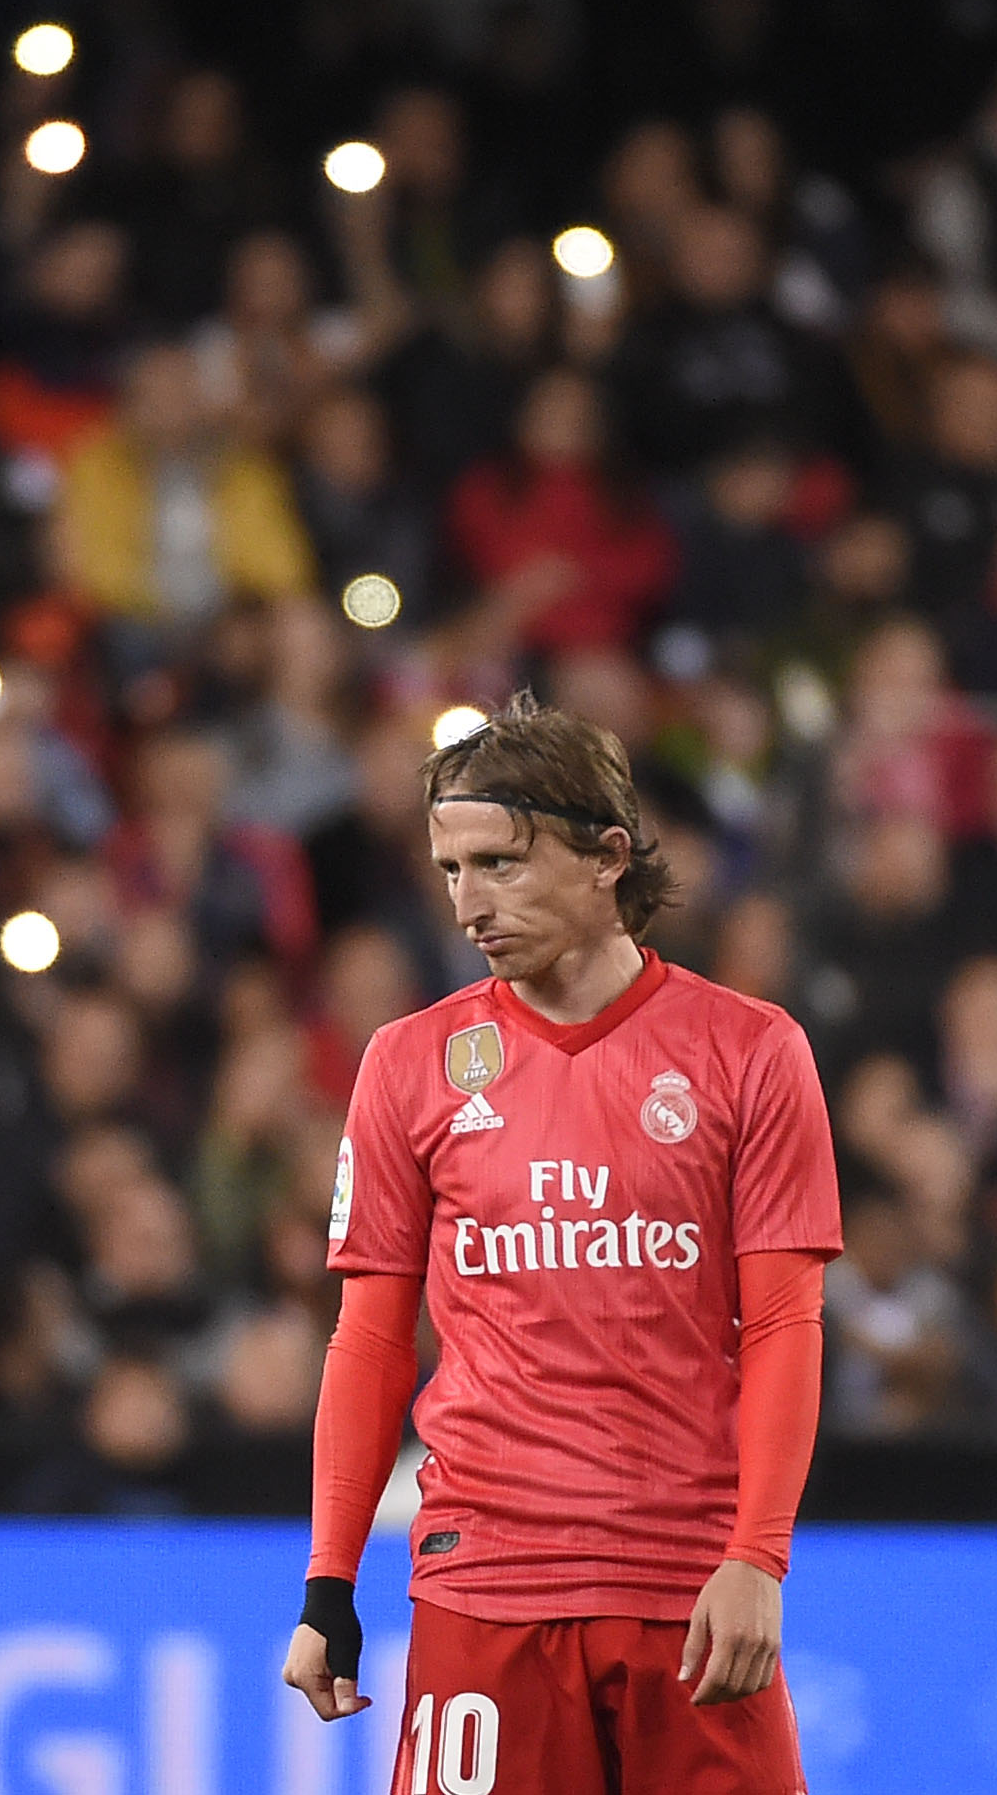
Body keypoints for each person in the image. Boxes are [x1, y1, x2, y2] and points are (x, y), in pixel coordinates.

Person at [285, 695, 839, 1794]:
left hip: (685, 1582)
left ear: (606, 856)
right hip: (480, 1583)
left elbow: (783, 1322)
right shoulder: (408, 1064)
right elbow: (368, 1343)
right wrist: (327, 1584)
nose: (467, 902)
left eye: (498, 862)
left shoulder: (750, 1051)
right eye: (450, 869)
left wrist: (755, 1557)